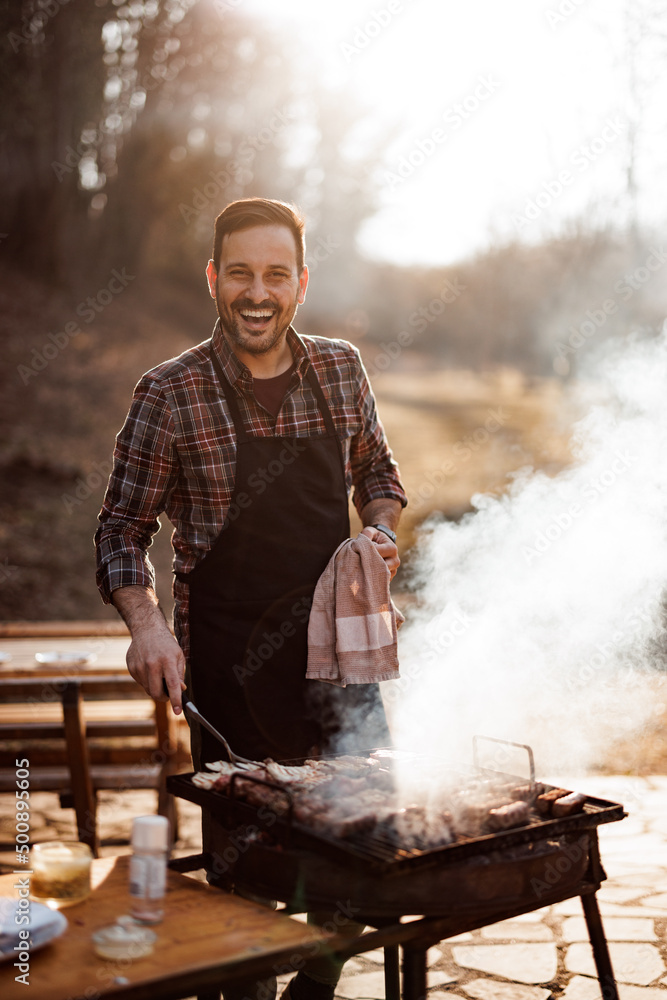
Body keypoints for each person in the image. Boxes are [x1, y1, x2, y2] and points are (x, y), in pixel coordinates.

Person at [95, 197, 407, 1000]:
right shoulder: (170, 392)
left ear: (300, 283)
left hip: (342, 666)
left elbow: (378, 475)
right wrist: (147, 627)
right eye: (240, 273)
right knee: (244, 890)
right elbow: (120, 531)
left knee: (357, 864)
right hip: (230, 675)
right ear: (213, 279)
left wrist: (378, 534)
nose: (257, 292)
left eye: (275, 274)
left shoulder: (339, 368)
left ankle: (313, 991)